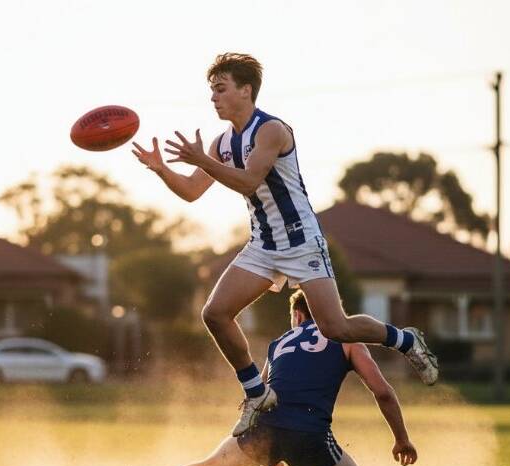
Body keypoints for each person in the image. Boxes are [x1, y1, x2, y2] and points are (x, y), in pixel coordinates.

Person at [132, 52, 438, 436]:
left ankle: (405, 339)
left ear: (246, 90)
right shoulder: (221, 142)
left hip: (301, 241)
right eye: (211, 90)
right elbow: (193, 191)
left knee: (336, 328)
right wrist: (163, 170)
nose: (213, 98)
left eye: (221, 89)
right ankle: (256, 394)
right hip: (263, 243)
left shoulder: (272, 130)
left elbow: (247, 180)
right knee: (214, 313)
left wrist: (203, 160)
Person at [105, 290, 418, 466]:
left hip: (264, 428)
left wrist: (270, 452)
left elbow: (260, 395)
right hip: (310, 435)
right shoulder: (347, 339)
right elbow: (382, 392)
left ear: (297, 314)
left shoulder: (278, 343)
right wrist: (401, 439)